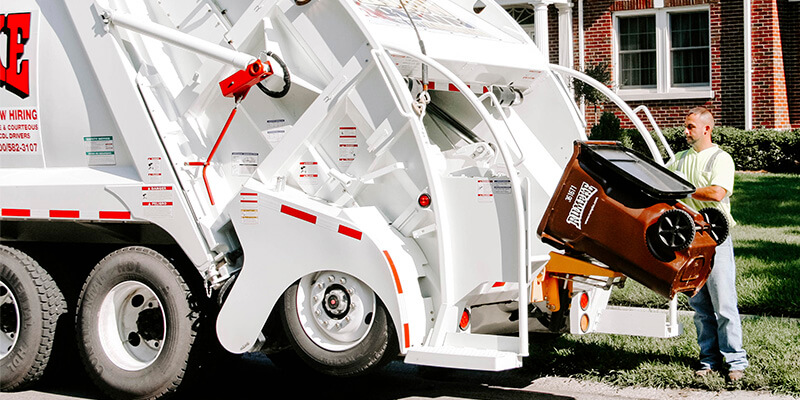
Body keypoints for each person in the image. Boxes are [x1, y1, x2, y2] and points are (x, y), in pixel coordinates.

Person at [668, 107, 748, 382]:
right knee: (700, 306)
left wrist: (683, 189)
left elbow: (716, 192)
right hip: (689, 240)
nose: (685, 131)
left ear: (706, 129)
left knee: (724, 303)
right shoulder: (678, 160)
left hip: (716, 238)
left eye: (690, 126)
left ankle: (736, 361)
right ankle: (709, 360)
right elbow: (661, 187)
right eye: (686, 126)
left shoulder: (720, 158)